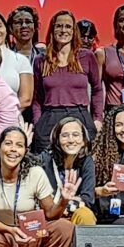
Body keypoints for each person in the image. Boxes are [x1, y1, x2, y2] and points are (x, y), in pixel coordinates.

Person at [0, 125, 73, 247]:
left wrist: (64, 200)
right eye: (8, 143)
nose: (13, 149)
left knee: (65, 227)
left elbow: (51, 214)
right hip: (4, 234)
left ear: (25, 151)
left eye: (19, 145)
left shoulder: (35, 172)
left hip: (34, 233)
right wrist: (10, 230)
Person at [31, 10, 97, 153]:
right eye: (59, 26)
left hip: (80, 115)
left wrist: (97, 119)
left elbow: (97, 89)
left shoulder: (87, 56)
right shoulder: (40, 60)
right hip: (50, 117)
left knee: (82, 160)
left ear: (74, 31)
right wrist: (38, 122)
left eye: (68, 26)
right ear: (52, 29)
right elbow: (37, 97)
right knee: (45, 162)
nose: (63, 30)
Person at [41, 115, 99, 227]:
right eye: (65, 135)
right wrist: (72, 202)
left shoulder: (87, 161)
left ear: (83, 140)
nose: (71, 140)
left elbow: (87, 200)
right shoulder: (45, 160)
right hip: (49, 216)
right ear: (57, 140)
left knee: (85, 214)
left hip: (72, 214)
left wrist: (65, 205)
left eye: (76, 135)